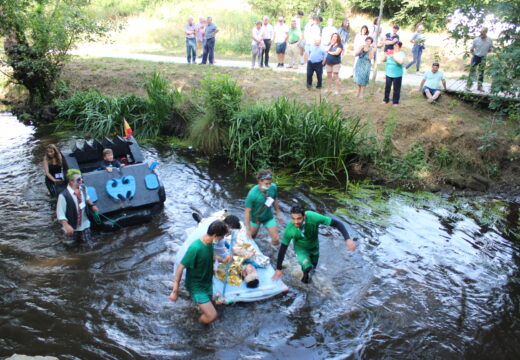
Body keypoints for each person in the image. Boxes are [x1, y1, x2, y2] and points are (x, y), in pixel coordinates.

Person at [273, 205, 356, 283]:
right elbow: (283, 249)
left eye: (299, 218)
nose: (296, 222)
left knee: (313, 271)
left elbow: (337, 224)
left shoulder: (313, 217)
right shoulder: (290, 230)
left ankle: (308, 282)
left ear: (304, 217)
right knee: (307, 268)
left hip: (314, 248)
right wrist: (278, 269)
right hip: (301, 249)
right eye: (293, 219)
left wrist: (347, 239)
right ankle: (304, 285)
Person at [170, 220, 228, 324]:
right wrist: (175, 291)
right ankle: (198, 325)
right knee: (212, 316)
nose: (222, 238)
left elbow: (210, 255)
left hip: (206, 282)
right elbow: (181, 267)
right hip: (196, 286)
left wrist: (222, 260)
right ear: (215, 235)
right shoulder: (195, 248)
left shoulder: (210, 243)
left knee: (212, 304)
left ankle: (198, 312)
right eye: (221, 236)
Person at [56, 169, 99, 246]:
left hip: (84, 223)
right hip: (71, 226)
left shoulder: (83, 188)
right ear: (71, 181)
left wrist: (92, 205)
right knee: (69, 246)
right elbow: (60, 213)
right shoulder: (63, 196)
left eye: (81, 178)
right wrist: (66, 225)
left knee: (87, 245)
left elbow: (87, 197)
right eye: (78, 179)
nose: (81, 181)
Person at [244, 169, 283, 246]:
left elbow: (274, 200)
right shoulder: (252, 194)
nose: (269, 185)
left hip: (268, 217)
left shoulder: (273, 187)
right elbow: (247, 212)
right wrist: (248, 229)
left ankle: (272, 252)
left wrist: (278, 213)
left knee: (276, 240)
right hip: (256, 219)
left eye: (270, 183)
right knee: (251, 238)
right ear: (260, 181)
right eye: (266, 184)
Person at [466, 27, 493, 92]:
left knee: (481, 72)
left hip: (483, 58)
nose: (481, 34)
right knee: (472, 71)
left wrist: (486, 52)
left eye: (482, 33)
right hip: (475, 57)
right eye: (480, 32)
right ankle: (468, 86)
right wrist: (474, 54)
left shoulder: (489, 40)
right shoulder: (476, 40)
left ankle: (479, 86)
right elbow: (471, 49)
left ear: (486, 32)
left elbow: (490, 49)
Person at [381, 41, 406, 106]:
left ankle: (395, 102)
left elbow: (400, 62)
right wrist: (384, 55)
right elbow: (383, 60)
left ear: (399, 47)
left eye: (396, 46)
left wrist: (393, 57)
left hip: (397, 74)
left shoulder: (401, 53)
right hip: (389, 73)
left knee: (396, 88)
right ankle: (385, 99)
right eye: (394, 45)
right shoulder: (390, 51)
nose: (395, 47)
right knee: (387, 87)